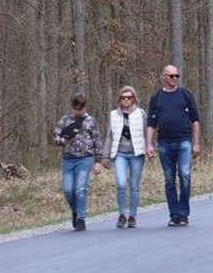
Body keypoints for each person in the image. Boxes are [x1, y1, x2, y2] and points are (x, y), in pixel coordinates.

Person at [146, 65, 201, 227]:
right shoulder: (156, 97)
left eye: (177, 76)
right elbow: (151, 123)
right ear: (164, 77)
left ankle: (183, 212)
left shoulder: (186, 95)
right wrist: (149, 144)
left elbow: (195, 121)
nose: (175, 79)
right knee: (169, 179)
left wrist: (196, 143)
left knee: (184, 175)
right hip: (164, 142)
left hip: (184, 140)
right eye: (171, 76)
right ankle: (174, 214)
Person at [52, 94, 104, 231]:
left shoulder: (90, 121)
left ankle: (81, 218)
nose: (76, 112)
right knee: (68, 190)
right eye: (74, 109)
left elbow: (97, 141)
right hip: (68, 159)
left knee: (80, 189)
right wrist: (62, 141)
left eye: (79, 109)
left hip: (85, 158)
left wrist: (98, 160)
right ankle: (75, 210)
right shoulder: (65, 120)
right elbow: (55, 136)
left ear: (84, 108)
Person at [101, 86, 147, 229]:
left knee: (134, 185)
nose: (126, 100)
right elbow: (110, 136)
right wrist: (105, 156)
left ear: (134, 99)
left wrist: (150, 147)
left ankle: (132, 215)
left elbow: (147, 132)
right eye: (123, 98)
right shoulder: (114, 115)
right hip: (119, 153)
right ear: (119, 99)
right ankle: (122, 214)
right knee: (121, 184)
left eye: (129, 97)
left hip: (136, 153)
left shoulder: (141, 113)